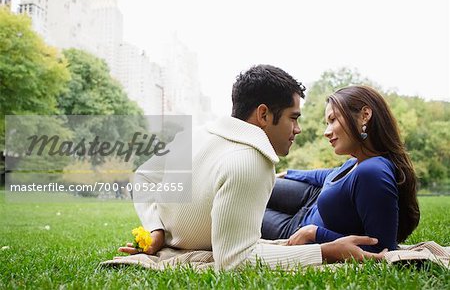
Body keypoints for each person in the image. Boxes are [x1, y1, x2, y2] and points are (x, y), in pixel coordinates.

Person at [119, 66, 385, 270]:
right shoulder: (249, 160)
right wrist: (327, 251)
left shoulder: (193, 134)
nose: (298, 129)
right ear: (264, 115)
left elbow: (142, 176)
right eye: (293, 118)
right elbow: (234, 260)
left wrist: (156, 230)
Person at [262, 85, 420, 253]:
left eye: (333, 120)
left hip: (296, 228)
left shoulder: (372, 172)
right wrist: (289, 174)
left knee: (238, 205)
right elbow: (328, 175)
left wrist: (314, 233)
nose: (326, 132)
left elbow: (381, 248)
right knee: (259, 182)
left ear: (365, 116)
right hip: (310, 198)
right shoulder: (358, 162)